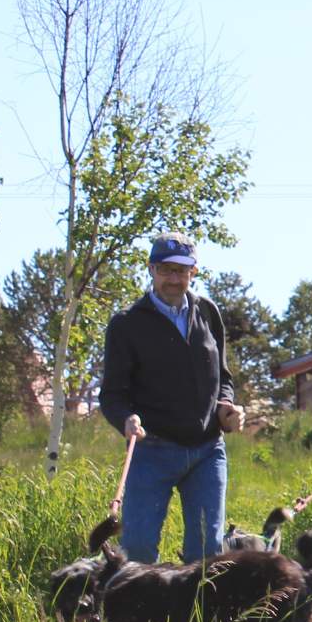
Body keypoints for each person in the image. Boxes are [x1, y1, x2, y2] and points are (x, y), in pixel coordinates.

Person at [99, 232, 244, 564]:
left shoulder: (208, 312)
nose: (174, 279)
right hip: (152, 451)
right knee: (136, 551)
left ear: (193, 272)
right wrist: (125, 419)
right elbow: (112, 394)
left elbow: (223, 377)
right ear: (151, 269)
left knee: (206, 553)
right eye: (166, 270)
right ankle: (144, 602)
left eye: (181, 271)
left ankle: (196, 602)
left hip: (207, 450)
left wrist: (226, 407)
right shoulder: (126, 324)